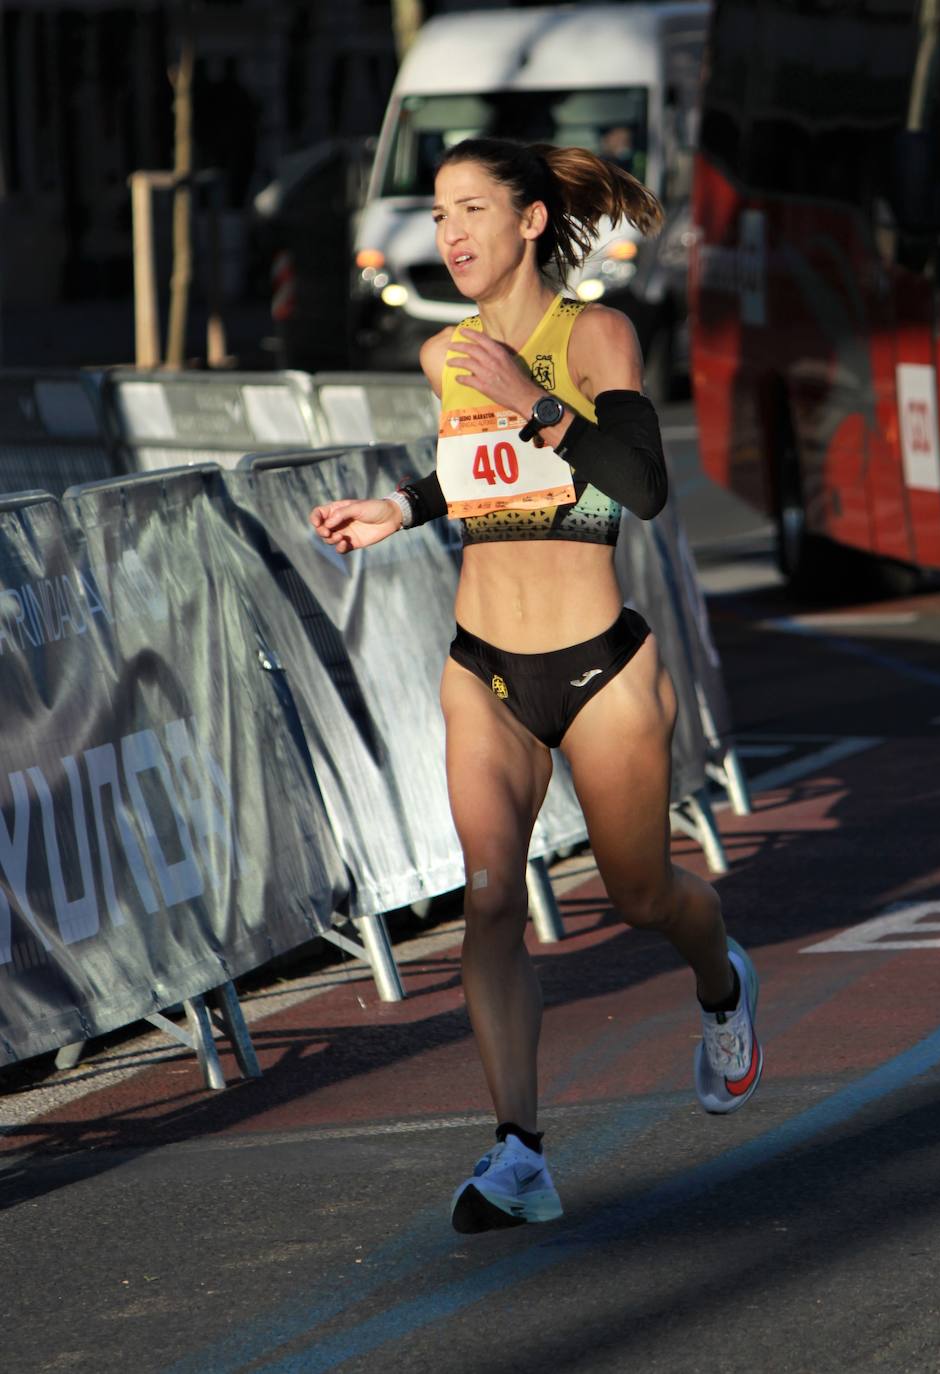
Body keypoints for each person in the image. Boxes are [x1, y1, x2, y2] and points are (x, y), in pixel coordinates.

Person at [309, 137, 763, 1235]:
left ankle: (721, 978)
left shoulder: (596, 333)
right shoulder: (445, 354)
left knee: (641, 896)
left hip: (600, 663)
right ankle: (516, 1153)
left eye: (470, 210)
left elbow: (643, 487)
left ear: (525, 223)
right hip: (484, 671)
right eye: (436, 214)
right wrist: (399, 510)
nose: (448, 233)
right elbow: (480, 478)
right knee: (489, 898)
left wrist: (532, 398)